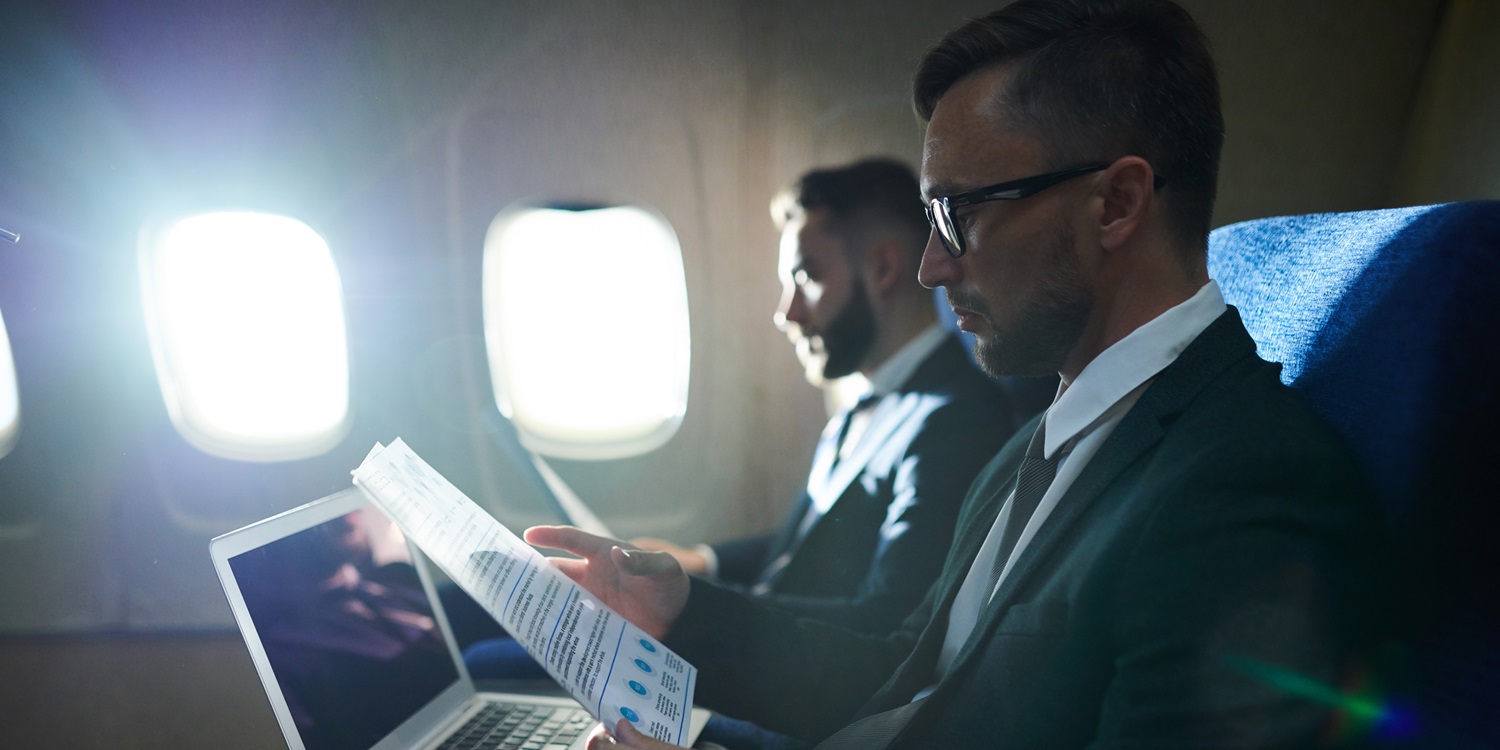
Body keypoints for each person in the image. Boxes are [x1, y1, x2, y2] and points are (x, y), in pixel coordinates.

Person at [527, 1, 1391, 748]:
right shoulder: (1045, 435)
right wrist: (678, 611)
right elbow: (906, 671)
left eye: (961, 214)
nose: (933, 269)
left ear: (1117, 204)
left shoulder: (1242, 486)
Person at [631, 157, 1017, 636]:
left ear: (882, 268)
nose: (786, 313)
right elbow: (810, 544)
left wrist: (687, 607)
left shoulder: (954, 420)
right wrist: (698, 564)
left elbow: (886, 622)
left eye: (806, 277)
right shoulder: (868, 401)